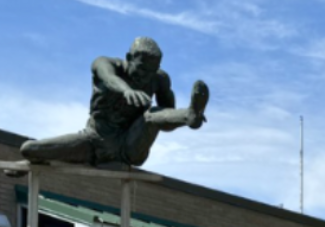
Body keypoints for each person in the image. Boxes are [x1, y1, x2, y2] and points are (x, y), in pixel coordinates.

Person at [19, 37, 208, 167]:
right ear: (129, 58)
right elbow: (108, 78)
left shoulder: (159, 80)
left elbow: (164, 122)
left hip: (130, 147)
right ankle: (34, 163)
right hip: (93, 140)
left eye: (152, 70)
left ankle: (190, 114)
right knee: (29, 149)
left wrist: (185, 119)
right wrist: (126, 90)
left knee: (152, 115)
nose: (145, 76)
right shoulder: (106, 64)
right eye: (141, 68)